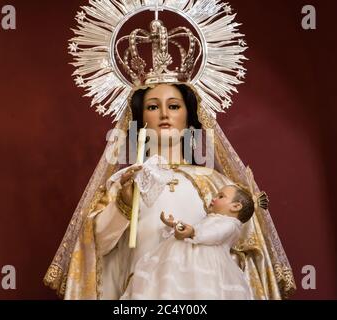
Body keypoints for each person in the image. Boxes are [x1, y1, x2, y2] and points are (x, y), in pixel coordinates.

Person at [44, 2, 296, 300]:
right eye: (153, 106)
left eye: (173, 106)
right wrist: (123, 205)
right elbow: (96, 243)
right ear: (141, 118)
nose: (164, 114)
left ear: (189, 115)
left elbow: (243, 244)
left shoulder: (216, 183)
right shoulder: (128, 179)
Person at [121, 184, 266, 300]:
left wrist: (193, 232)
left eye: (221, 196)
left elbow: (215, 234)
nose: (214, 198)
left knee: (198, 289)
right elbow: (195, 229)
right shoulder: (211, 219)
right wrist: (175, 224)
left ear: (236, 206)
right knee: (171, 284)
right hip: (187, 255)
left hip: (205, 262)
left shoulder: (230, 224)